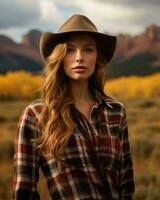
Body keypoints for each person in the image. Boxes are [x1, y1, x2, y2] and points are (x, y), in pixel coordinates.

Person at [12, 14, 135, 200]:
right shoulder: (36, 115)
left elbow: (126, 183)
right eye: (70, 50)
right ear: (59, 58)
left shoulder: (116, 111)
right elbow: (23, 191)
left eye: (88, 49)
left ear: (97, 56)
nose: (79, 58)